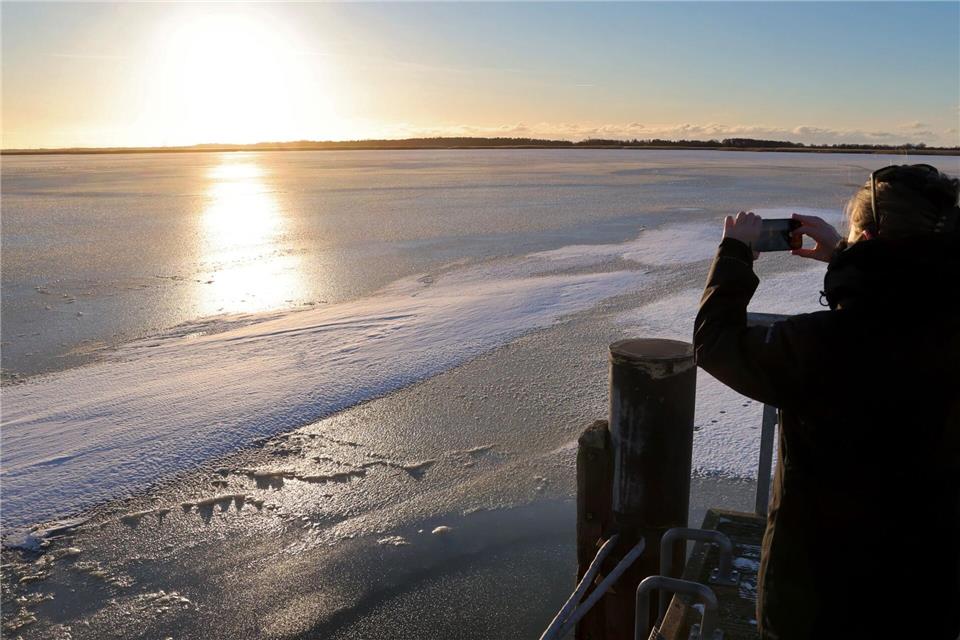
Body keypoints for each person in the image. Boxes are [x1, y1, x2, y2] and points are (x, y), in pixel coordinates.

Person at [693, 164, 960, 639]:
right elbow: (907, 296)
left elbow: (716, 344)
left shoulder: (824, 346)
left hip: (821, 593)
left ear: (870, 234)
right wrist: (847, 258)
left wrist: (735, 253)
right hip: (927, 585)